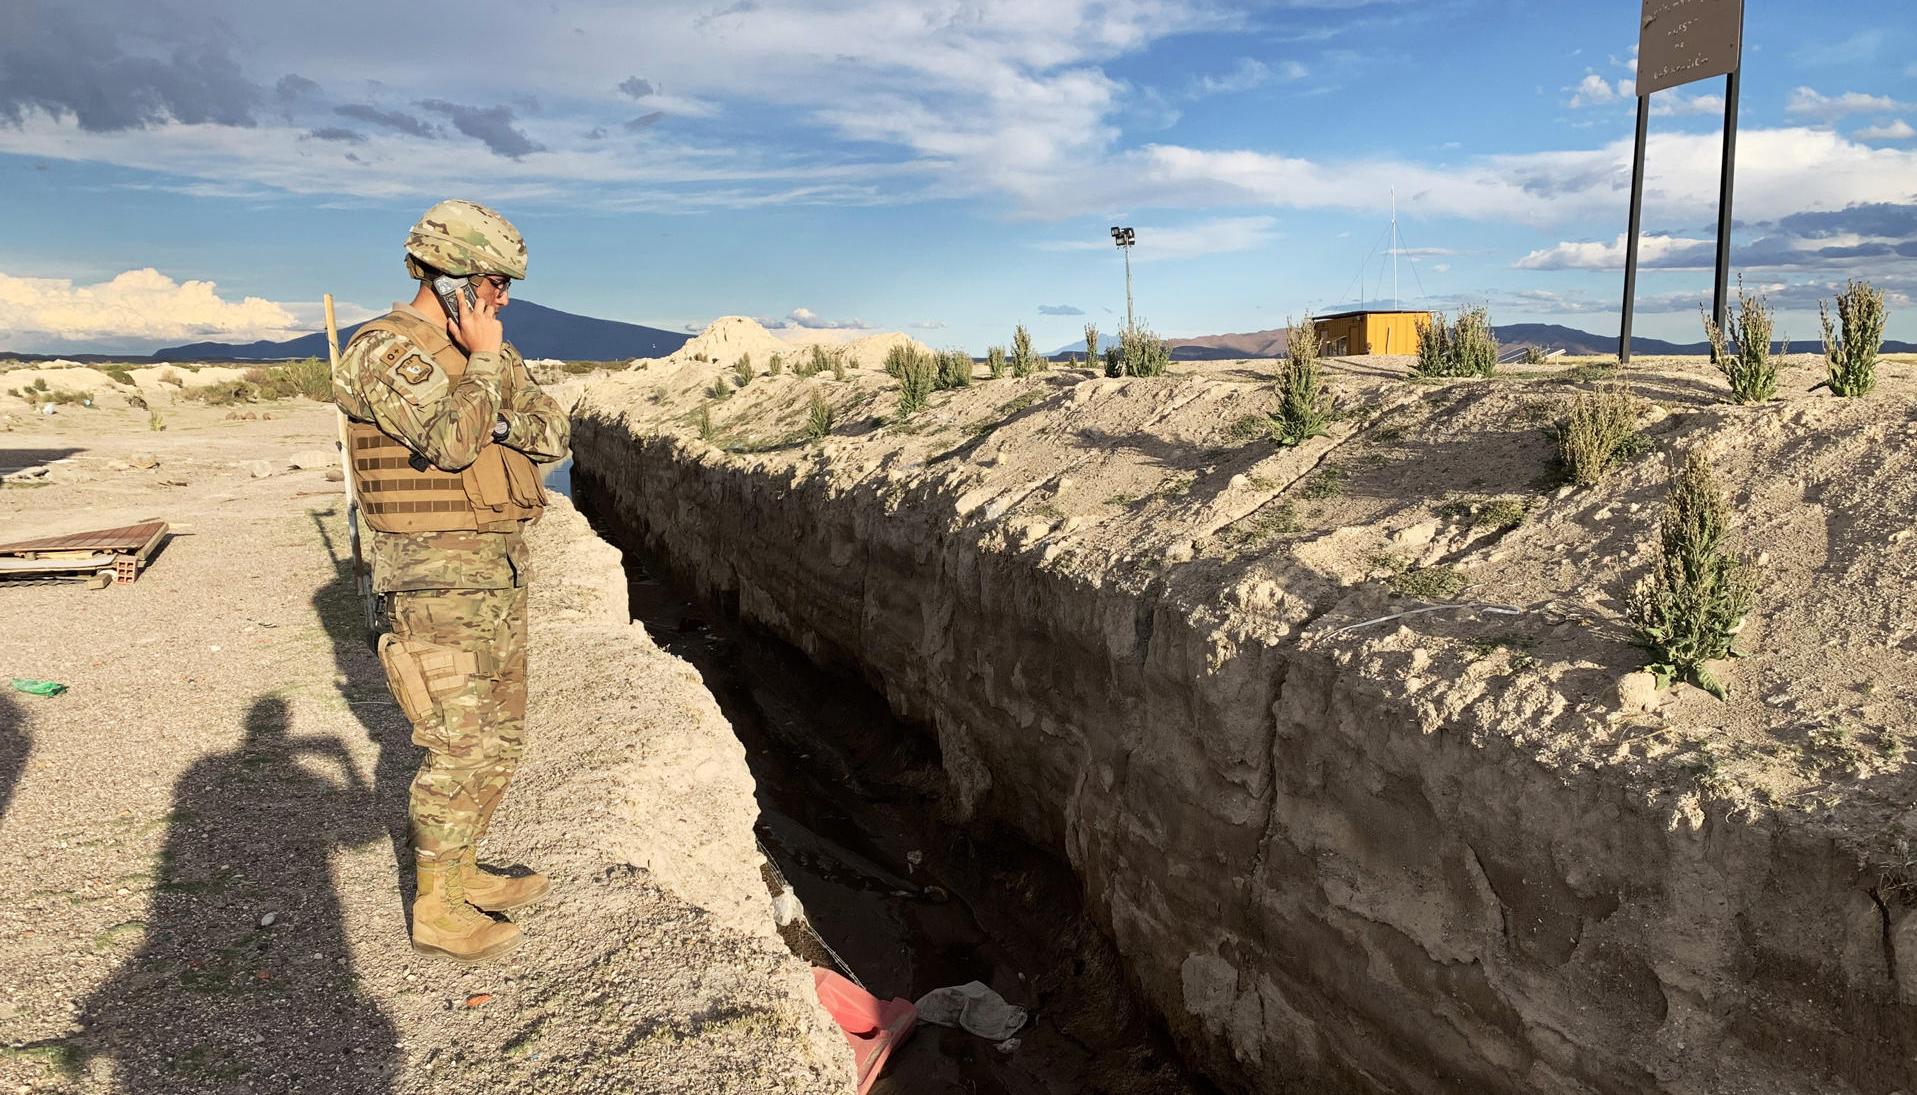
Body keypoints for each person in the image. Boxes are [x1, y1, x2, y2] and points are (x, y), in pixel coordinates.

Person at [333, 199, 569, 963]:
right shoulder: (381, 352)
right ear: (447, 275)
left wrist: (493, 389)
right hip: (434, 585)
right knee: (457, 744)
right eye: (494, 280)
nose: (502, 297)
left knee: (501, 740)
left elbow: (551, 434)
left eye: (504, 284)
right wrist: (490, 370)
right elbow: (452, 438)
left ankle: (464, 870)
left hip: (495, 573)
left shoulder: (483, 350)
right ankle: (435, 906)